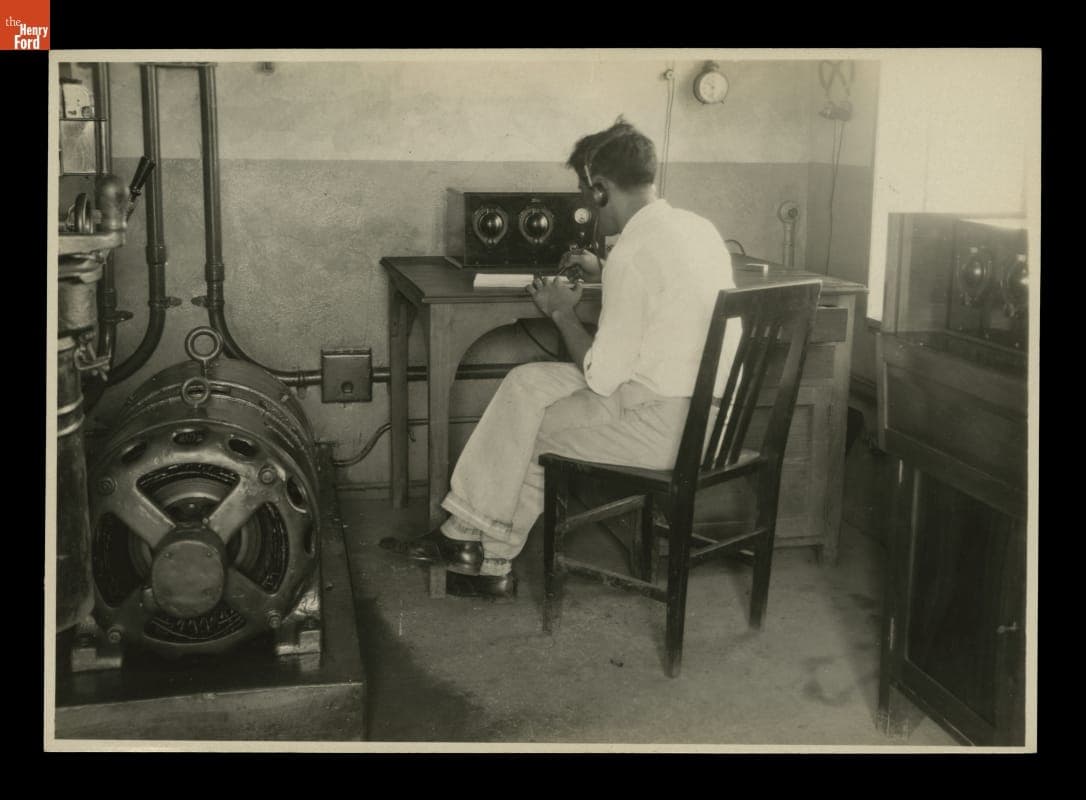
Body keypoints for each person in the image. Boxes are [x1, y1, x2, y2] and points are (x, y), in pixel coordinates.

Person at [385, 117, 740, 599]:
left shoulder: (634, 253)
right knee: (527, 383)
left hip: (667, 429)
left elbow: (600, 377)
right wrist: (604, 268)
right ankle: (466, 540)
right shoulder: (695, 228)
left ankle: (486, 561)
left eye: (583, 192)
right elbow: (660, 290)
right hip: (711, 418)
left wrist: (561, 314)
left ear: (599, 191)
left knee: (534, 429)